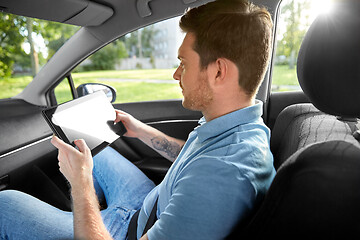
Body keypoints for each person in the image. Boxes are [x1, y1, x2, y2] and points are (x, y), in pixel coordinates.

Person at [0, 0, 276, 239]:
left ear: (218, 72)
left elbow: (206, 174)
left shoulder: (222, 176)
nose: (176, 75)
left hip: (127, 232)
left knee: (5, 204)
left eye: (184, 63)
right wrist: (142, 131)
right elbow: (193, 161)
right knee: (90, 146)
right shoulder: (239, 126)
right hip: (146, 204)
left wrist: (81, 184)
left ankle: (87, 218)